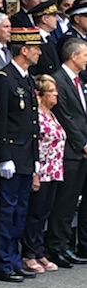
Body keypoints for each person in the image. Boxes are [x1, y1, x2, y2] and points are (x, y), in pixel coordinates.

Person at [0, 27, 41, 283]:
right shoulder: (4, 78)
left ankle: (12, 258)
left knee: (20, 210)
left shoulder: (26, 78)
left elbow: (31, 122)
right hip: (11, 154)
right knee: (7, 210)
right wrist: (4, 155)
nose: (39, 52)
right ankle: (1, 261)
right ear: (24, 49)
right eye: (36, 48)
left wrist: (35, 158)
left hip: (24, 155)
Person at [46, 38, 87, 268]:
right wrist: (83, 144)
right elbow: (65, 117)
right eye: (85, 54)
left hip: (80, 151)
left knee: (71, 203)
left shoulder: (78, 80)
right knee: (62, 203)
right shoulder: (58, 80)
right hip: (70, 150)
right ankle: (56, 246)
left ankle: (65, 245)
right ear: (73, 56)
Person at [21, 74, 65, 274]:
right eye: (52, 91)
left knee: (44, 213)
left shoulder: (52, 114)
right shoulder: (37, 116)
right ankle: (28, 254)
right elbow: (36, 145)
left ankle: (39, 251)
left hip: (55, 171)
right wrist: (34, 173)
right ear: (40, 94)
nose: (56, 94)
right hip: (42, 171)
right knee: (35, 214)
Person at [29, 0, 61, 76]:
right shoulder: (34, 40)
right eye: (54, 16)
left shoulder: (49, 39)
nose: (57, 19)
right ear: (44, 19)